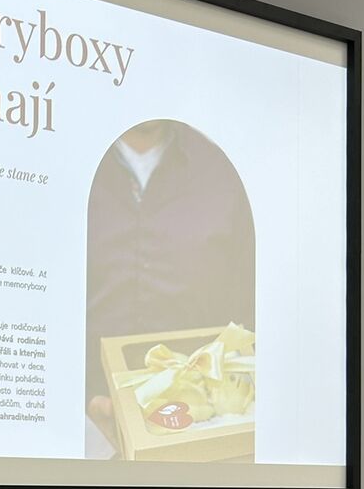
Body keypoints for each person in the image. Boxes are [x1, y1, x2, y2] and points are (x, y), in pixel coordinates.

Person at [84, 119, 255, 449]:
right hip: (78, 432)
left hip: (201, 429)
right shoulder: (60, 160)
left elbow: (247, 306)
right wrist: (83, 399)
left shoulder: (220, 171)